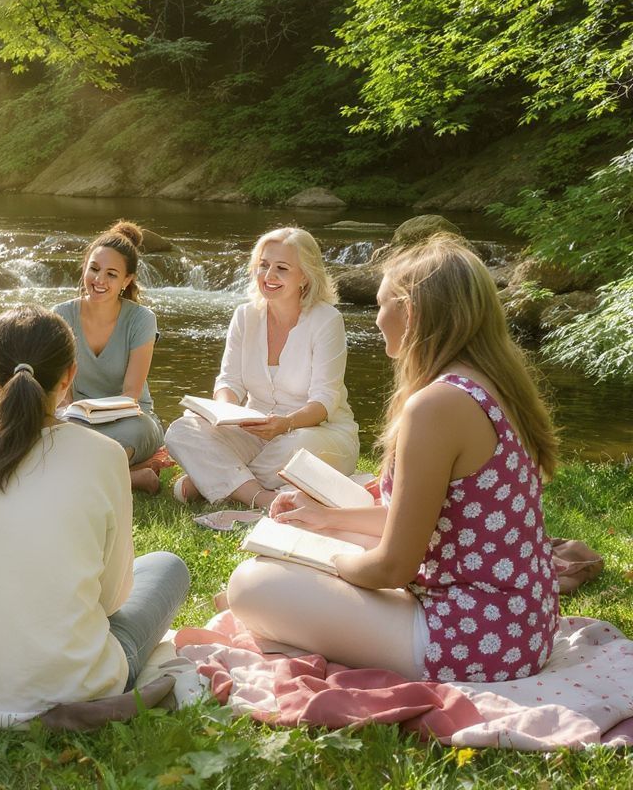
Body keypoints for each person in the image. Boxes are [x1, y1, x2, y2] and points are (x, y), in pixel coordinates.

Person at [227, 234, 560, 682]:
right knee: (321, 543)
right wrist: (328, 520)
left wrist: (326, 564)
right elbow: (426, 520)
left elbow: (392, 566)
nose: (377, 319)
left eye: (383, 305)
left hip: (473, 636)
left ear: (413, 312)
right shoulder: (486, 381)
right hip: (520, 623)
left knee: (250, 586)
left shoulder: (437, 405)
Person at [0, 305, 190, 723]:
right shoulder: (105, 455)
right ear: (70, 376)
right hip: (74, 684)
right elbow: (110, 599)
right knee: (168, 567)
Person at [164, 226, 359, 508]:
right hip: (255, 428)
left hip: (316, 432)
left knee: (296, 448)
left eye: (281, 268)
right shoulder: (245, 316)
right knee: (182, 430)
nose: (268, 276)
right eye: (263, 265)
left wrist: (285, 424)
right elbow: (229, 381)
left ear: (305, 276)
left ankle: (211, 479)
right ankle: (262, 496)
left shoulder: (327, 320)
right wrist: (223, 412)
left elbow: (325, 401)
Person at [53, 221, 165, 493]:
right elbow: (61, 393)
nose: (99, 280)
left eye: (111, 274)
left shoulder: (142, 319)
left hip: (129, 421)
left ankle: (79, 471)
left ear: (127, 281)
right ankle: (133, 477)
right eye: (94, 269)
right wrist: (67, 416)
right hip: (75, 420)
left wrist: (94, 419)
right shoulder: (61, 315)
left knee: (133, 432)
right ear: (84, 268)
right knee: (52, 431)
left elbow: (131, 395)